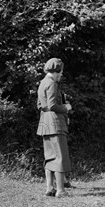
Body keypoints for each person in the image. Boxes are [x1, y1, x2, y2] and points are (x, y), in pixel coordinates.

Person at [36, 58, 72, 198]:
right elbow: (52, 106)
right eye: (61, 72)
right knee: (60, 157)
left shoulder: (42, 82)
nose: (61, 75)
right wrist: (67, 107)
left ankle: (50, 188)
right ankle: (61, 190)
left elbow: (40, 105)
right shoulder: (52, 83)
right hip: (55, 123)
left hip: (45, 123)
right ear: (56, 71)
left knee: (50, 156)